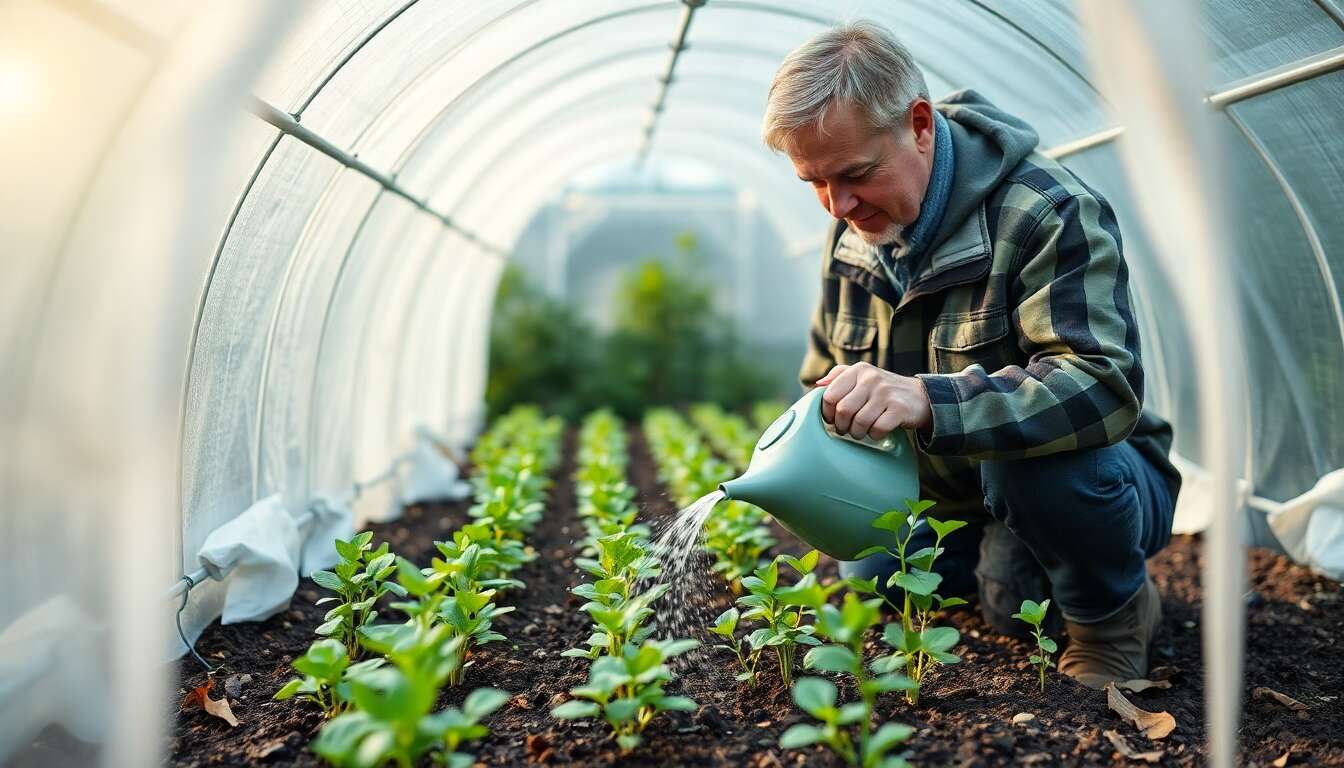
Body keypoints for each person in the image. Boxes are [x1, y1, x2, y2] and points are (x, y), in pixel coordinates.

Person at [762, 21, 1181, 689]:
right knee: (879, 582)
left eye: (854, 175)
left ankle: (1113, 617)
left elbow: (1099, 386)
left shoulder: (1046, 212)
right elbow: (823, 373)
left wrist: (929, 399)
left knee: (1023, 561)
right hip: (950, 495)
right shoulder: (852, 227)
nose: (836, 206)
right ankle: (1007, 563)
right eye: (813, 182)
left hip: (1085, 477)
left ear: (920, 126)